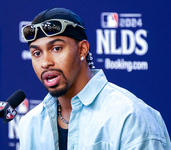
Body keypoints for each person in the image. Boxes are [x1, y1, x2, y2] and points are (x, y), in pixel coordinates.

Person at [19, 7, 171, 150]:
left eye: (56, 48)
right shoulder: (30, 124)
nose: (45, 62)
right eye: (37, 53)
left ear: (82, 50)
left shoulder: (129, 116)